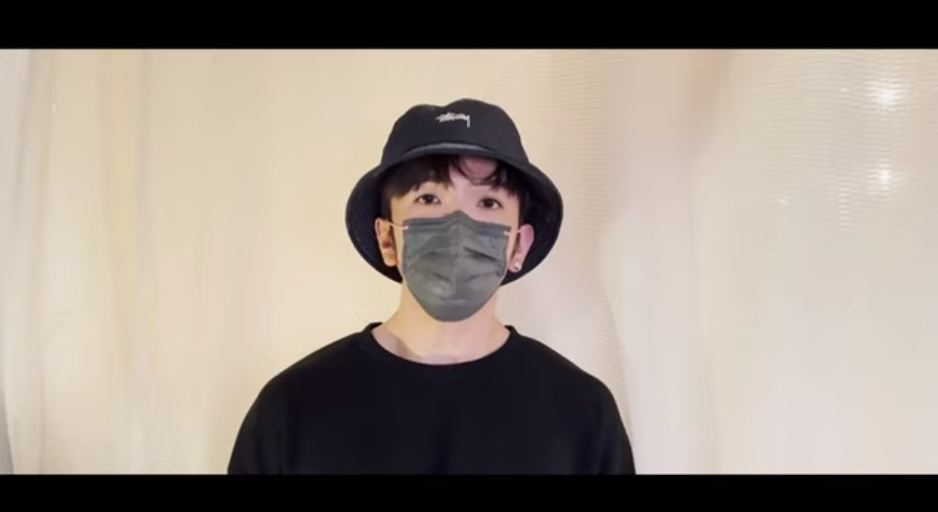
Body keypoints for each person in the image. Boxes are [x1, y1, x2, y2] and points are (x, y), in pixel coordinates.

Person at [227, 98, 635, 474]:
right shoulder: (292, 410)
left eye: (488, 202)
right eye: (428, 199)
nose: (458, 224)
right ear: (387, 239)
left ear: (519, 245)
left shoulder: (582, 415)